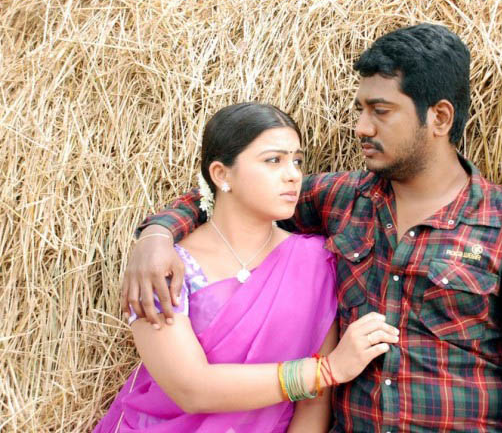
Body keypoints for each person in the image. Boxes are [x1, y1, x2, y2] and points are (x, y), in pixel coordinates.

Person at [123, 24, 502, 431]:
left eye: (380, 111)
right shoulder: (342, 201)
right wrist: (158, 234)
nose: (362, 127)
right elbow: (233, 196)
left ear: (439, 118)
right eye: (360, 109)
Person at [96, 103, 399, 433]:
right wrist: (327, 370)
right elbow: (192, 390)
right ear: (221, 175)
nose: (293, 174)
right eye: (273, 160)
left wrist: (324, 375)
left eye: (297, 161)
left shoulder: (316, 261)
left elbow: (313, 404)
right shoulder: (164, 267)